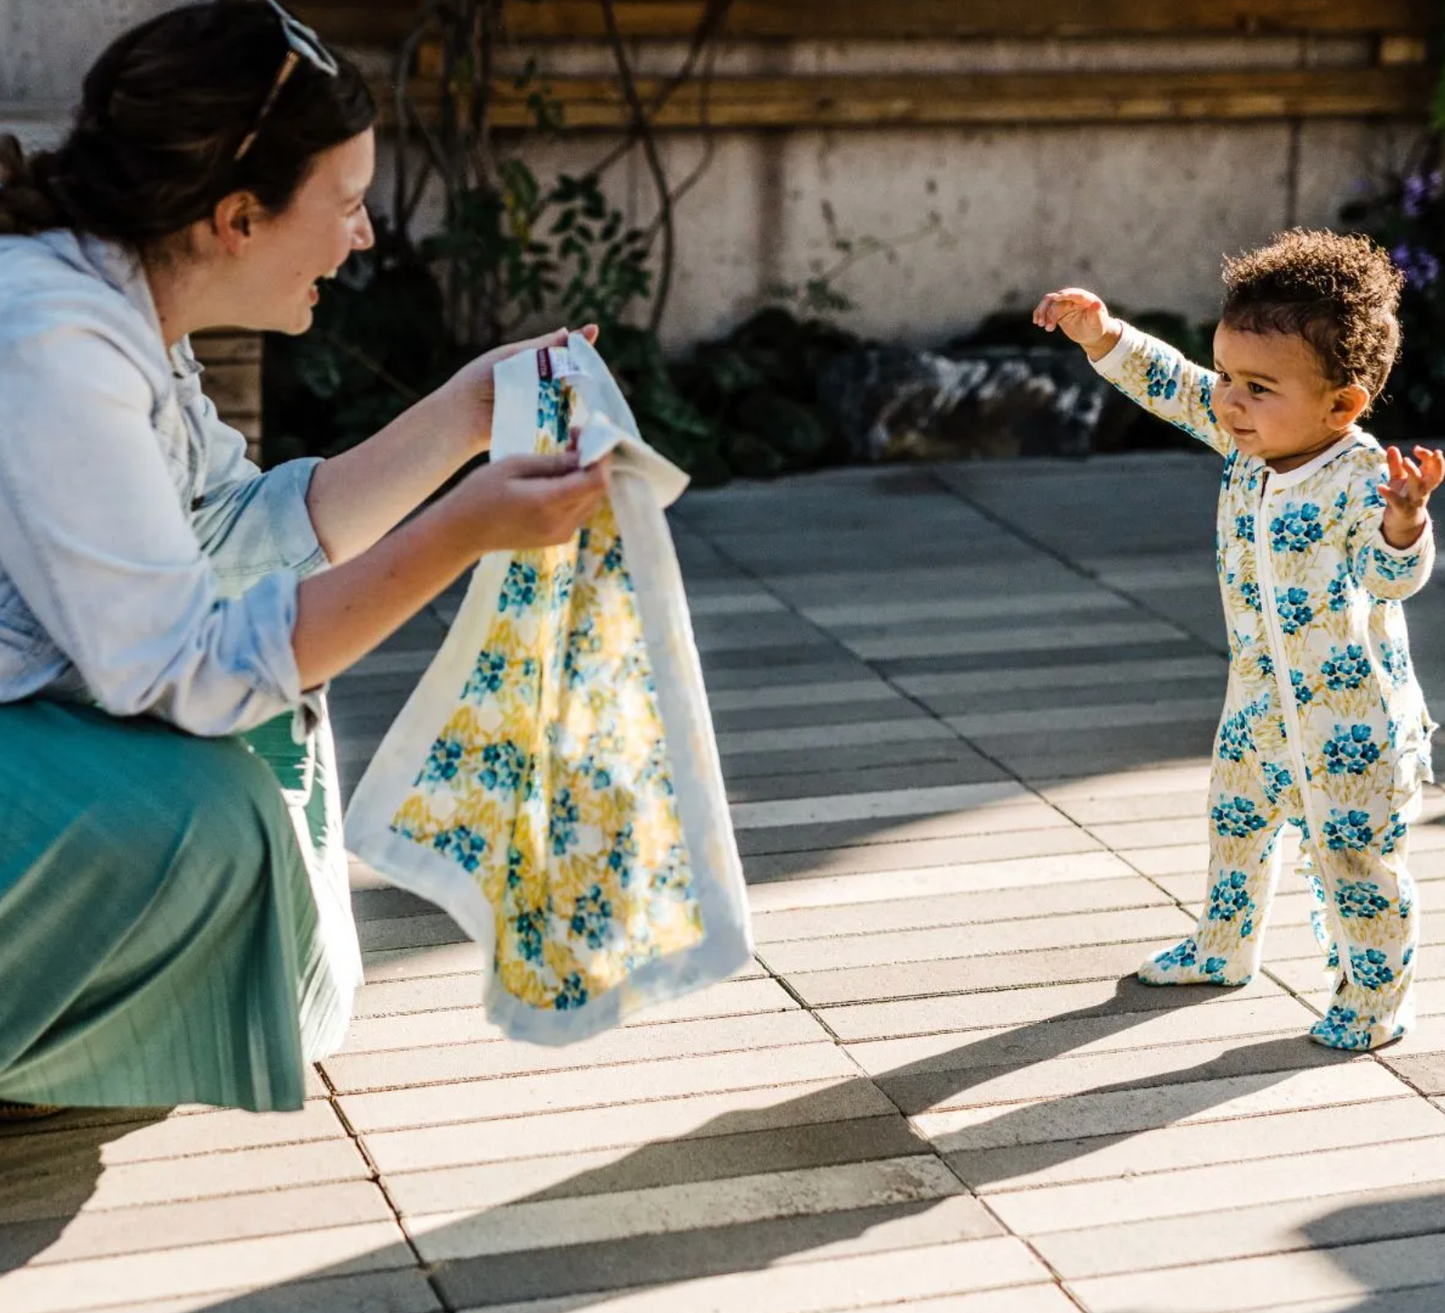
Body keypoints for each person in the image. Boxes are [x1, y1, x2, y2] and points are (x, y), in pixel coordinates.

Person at [0, 0, 610, 1118]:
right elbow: (179, 663)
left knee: (277, 730)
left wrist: (468, 412)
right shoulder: (51, 337)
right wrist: (463, 527)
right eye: (343, 205)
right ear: (238, 216)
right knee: (208, 813)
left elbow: (230, 531)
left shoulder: (116, 306)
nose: (364, 235)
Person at [1034, 228, 1441, 1051]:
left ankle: (1374, 995)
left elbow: (1390, 577)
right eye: (1228, 375)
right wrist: (1103, 334)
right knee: (1234, 824)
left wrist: (1405, 522)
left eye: (1257, 387)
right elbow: (1175, 385)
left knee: (1356, 863)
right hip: (1257, 703)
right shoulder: (1246, 444)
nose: (1228, 400)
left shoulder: (1358, 477)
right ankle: (1224, 946)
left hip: (1350, 725)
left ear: (1341, 405)